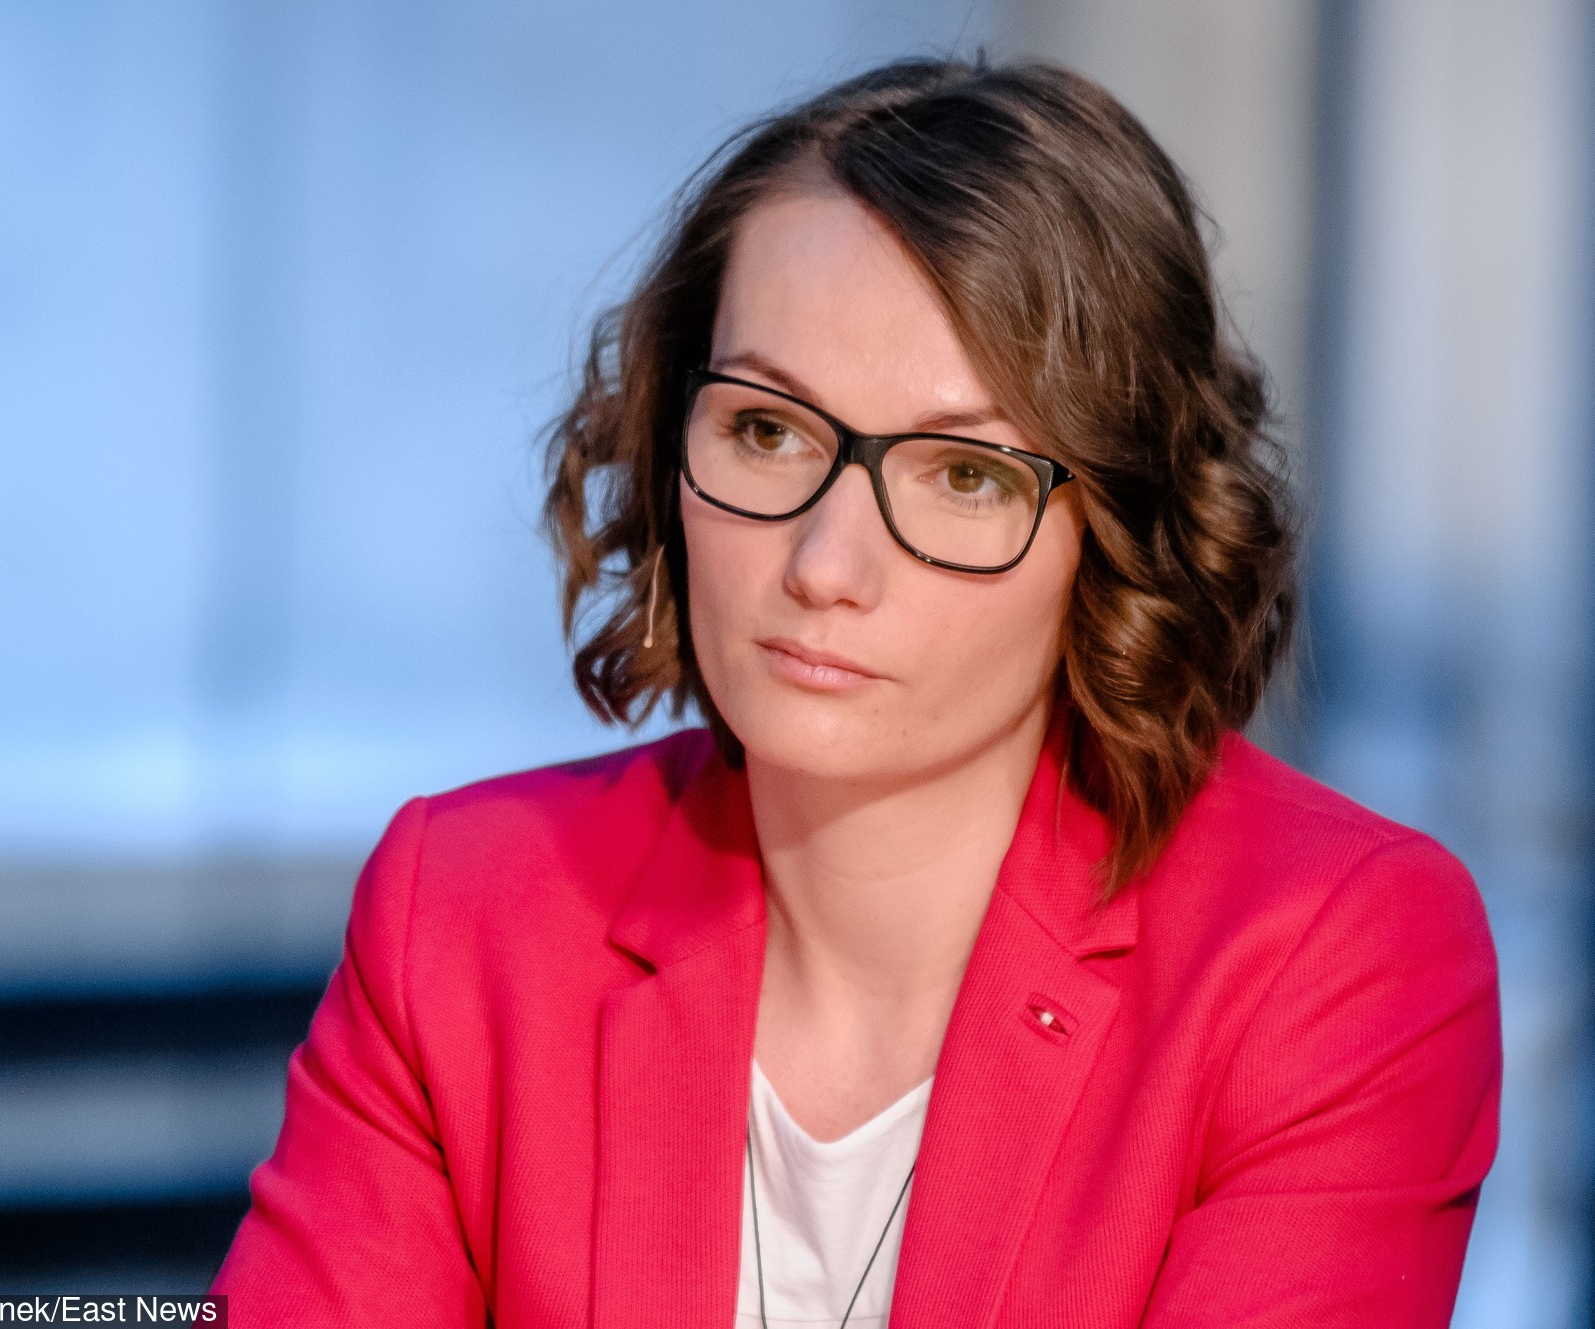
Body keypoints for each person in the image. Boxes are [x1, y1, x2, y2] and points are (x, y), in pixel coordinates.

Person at [213, 57, 1500, 1327]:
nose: (824, 567)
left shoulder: (1328, 959)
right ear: (669, 445)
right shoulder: (464, 914)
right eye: (766, 431)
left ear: (1115, 535)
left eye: (964, 476)